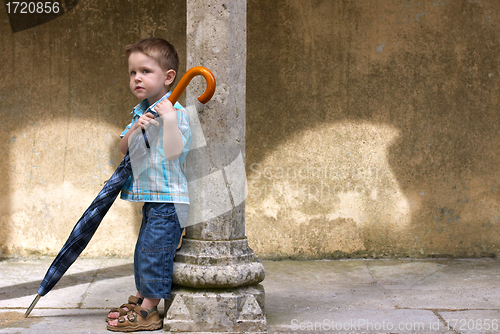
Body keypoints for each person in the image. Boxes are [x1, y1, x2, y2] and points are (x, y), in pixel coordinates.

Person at [106, 37, 191, 332]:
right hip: (152, 197)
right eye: (132, 72)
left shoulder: (175, 113)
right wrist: (135, 129)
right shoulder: (140, 111)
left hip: (168, 199)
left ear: (168, 77)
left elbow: (174, 152)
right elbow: (123, 148)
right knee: (144, 250)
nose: (137, 78)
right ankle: (141, 297)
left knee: (156, 253)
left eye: (145, 71)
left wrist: (168, 121)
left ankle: (150, 312)